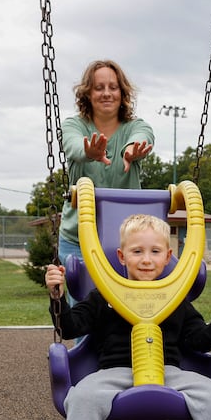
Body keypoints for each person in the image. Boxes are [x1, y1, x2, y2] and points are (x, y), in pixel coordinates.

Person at [46, 214, 211, 420]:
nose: (146, 259)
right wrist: (58, 298)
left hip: (169, 373)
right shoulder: (104, 296)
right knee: (81, 398)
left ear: (167, 257)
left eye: (155, 252)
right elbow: (70, 328)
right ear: (122, 256)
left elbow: (199, 342)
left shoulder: (175, 298)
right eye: (137, 251)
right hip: (113, 372)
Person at [58, 59, 155, 271]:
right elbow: (73, 145)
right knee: (83, 301)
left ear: (122, 93)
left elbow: (143, 136)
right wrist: (88, 152)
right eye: (99, 88)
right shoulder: (73, 125)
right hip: (78, 239)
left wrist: (130, 151)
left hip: (125, 241)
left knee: (123, 302)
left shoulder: (135, 126)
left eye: (113, 87)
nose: (106, 93)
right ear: (88, 94)